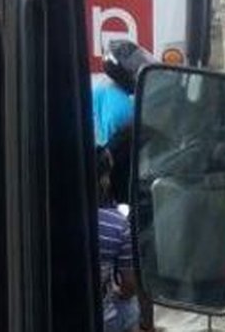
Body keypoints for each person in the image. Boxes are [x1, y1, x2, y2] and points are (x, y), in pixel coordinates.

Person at [97, 148, 139, 332]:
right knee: (129, 307)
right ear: (103, 179)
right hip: (105, 319)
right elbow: (129, 285)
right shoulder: (117, 223)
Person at [92, 39, 154, 147]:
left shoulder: (102, 88)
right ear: (122, 72)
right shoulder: (124, 111)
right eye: (135, 67)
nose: (138, 68)